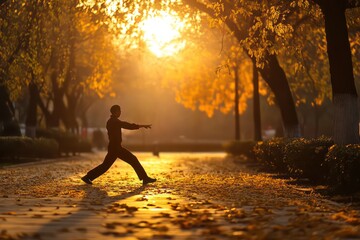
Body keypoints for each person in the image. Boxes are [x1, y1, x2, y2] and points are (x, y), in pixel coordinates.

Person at [81, 104, 156, 186]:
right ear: (116, 112)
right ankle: (145, 178)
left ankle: (87, 177)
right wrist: (142, 126)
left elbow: (126, 125)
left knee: (105, 166)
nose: (120, 112)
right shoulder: (114, 121)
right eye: (119, 111)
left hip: (114, 147)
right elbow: (127, 125)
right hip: (116, 148)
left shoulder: (112, 121)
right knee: (133, 159)